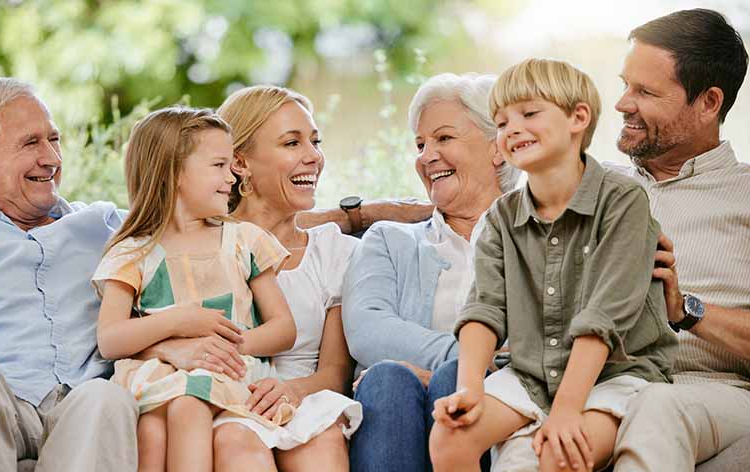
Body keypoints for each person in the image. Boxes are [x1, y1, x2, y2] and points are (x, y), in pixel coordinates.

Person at [429, 58, 677, 472]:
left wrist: (565, 410)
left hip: (616, 376)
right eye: (502, 122)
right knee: (449, 436)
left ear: (578, 118)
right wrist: (469, 389)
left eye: (528, 114)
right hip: (533, 376)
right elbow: (485, 309)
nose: (512, 129)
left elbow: (604, 316)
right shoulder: (500, 218)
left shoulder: (623, 202)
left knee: (561, 454)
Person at [0, 77, 138, 470]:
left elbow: (192, 232)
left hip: (82, 406)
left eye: (54, 139)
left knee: (109, 399)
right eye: (31, 143)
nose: (51, 158)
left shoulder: (107, 224)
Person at [92, 106, 298, 472]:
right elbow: (110, 339)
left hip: (231, 371)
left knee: (188, 404)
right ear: (174, 173)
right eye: (219, 165)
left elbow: (283, 328)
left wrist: (221, 350)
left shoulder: (244, 241)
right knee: (152, 431)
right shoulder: (133, 253)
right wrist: (179, 323)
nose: (232, 177)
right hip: (160, 375)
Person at [343, 72, 522, 472]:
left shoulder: (540, 239)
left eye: (443, 138)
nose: (426, 156)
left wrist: (454, 371)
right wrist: (473, 359)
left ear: (498, 147)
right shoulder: (388, 239)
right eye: (421, 145)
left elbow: (553, 344)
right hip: (396, 407)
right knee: (388, 379)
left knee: (453, 380)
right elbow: (369, 331)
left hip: (499, 406)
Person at [609, 9, 750, 470]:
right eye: (625, 85)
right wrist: (407, 210)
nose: (622, 104)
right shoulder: (596, 185)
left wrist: (685, 310)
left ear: (709, 102)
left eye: (645, 92)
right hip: (601, 384)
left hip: (710, 392)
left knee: (657, 405)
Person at [214, 85, 362, 471]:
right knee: (235, 440)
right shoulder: (204, 245)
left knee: (323, 438)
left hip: (305, 397)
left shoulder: (334, 251)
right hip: (226, 402)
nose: (313, 156)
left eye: (315, 141)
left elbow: (335, 372)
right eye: (292, 143)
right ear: (240, 162)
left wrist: (291, 391)